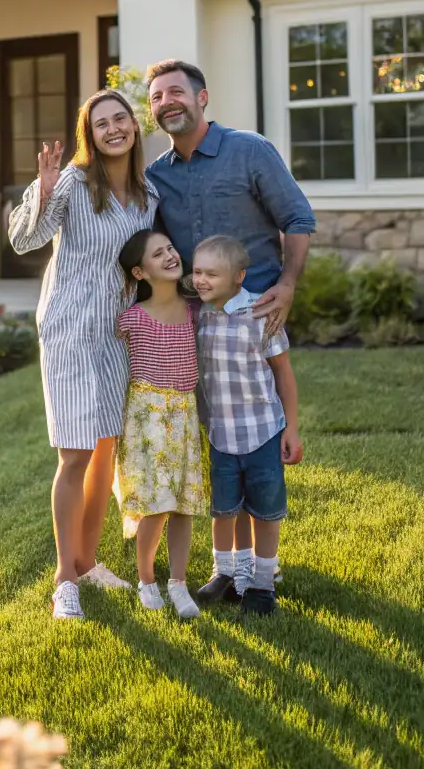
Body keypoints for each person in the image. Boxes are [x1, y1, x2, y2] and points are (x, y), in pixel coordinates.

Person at [145, 58, 315, 593]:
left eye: (175, 92)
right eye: (155, 97)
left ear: (202, 97)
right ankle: (230, 567)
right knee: (219, 447)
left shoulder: (250, 151)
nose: (166, 102)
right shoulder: (156, 176)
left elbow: (298, 218)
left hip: (255, 319)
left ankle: (261, 568)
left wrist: (287, 284)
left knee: (258, 444)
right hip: (198, 328)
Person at [8, 89, 159, 621]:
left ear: (135, 128)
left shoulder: (148, 194)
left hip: (116, 334)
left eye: (121, 119)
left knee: (104, 450)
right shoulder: (71, 181)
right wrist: (43, 195)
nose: (113, 129)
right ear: (88, 135)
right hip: (70, 331)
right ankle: (64, 579)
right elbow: (26, 241)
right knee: (73, 454)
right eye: (101, 124)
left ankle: (89, 560)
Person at [191, 235, 302, 615]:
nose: (201, 280)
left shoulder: (260, 314)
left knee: (265, 512)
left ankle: (261, 583)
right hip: (221, 434)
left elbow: (284, 374)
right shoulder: (202, 315)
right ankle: (226, 574)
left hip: (263, 432)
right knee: (224, 509)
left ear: (238, 277)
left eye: (211, 274)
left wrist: (291, 428)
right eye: (197, 272)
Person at [114, 227, 206, 619]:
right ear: (139, 273)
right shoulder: (131, 319)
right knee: (155, 505)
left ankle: (179, 583)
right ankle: (147, 579)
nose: (170, 255)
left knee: (184, 504)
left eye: (170, 247)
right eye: (157, 254)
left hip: (184, 414)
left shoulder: (194, 310)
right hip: (146, 419)